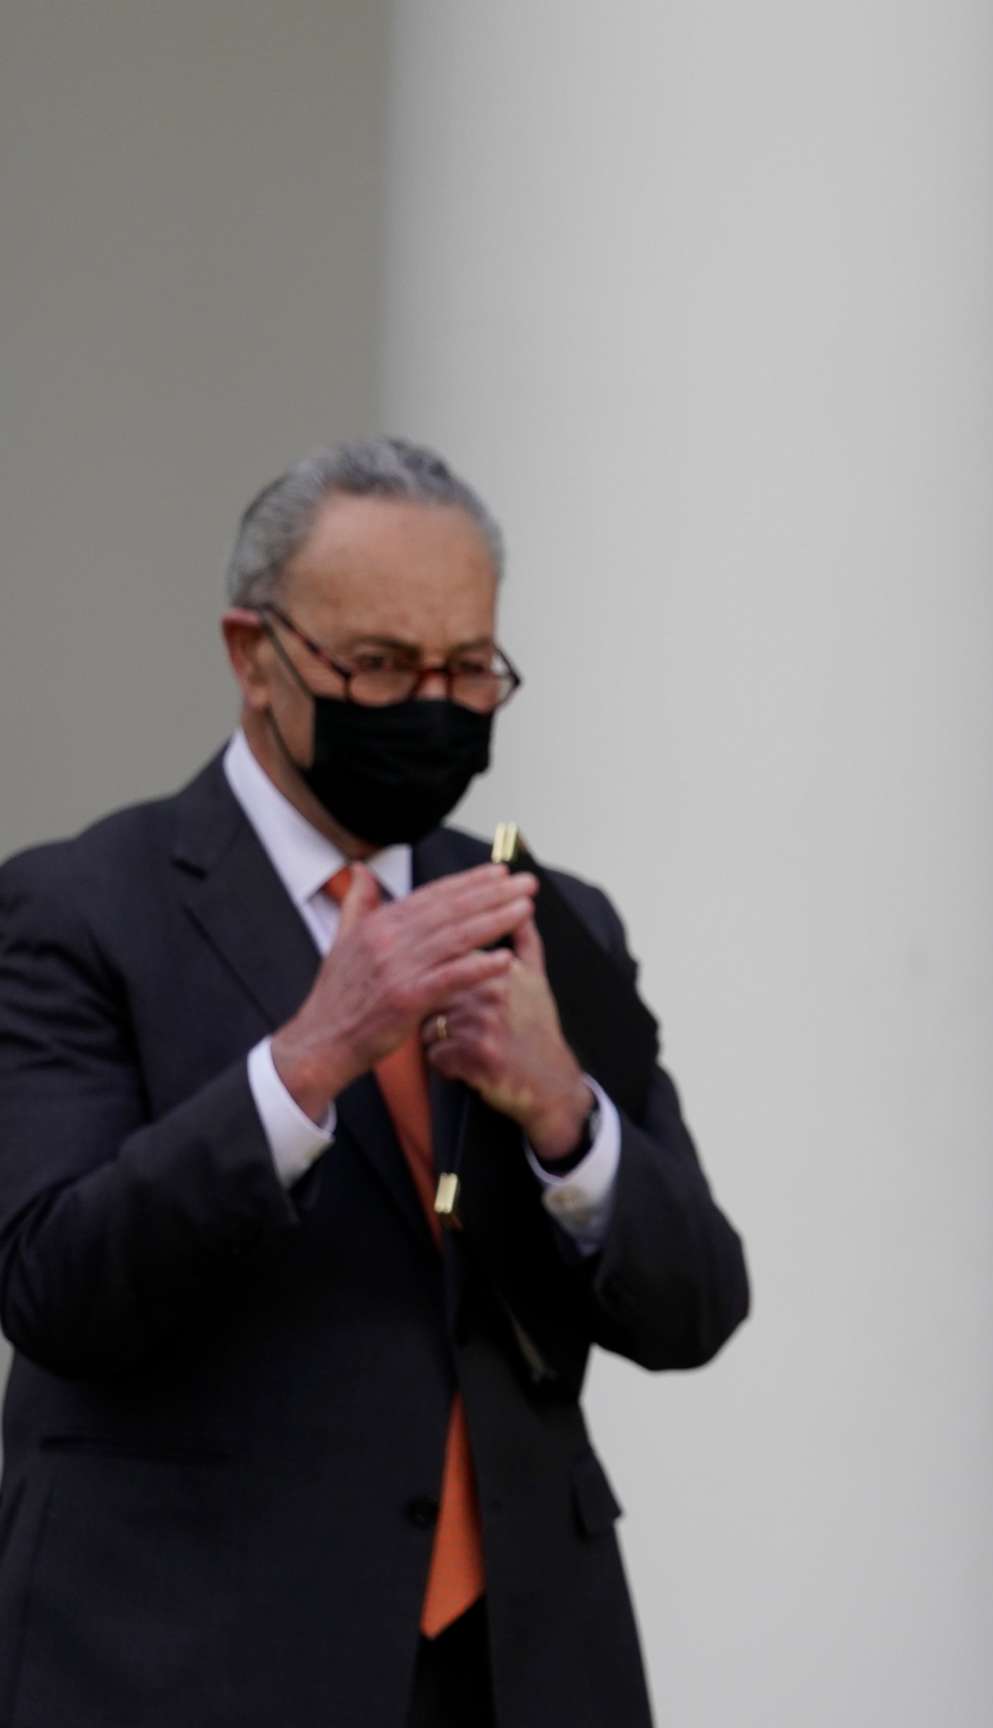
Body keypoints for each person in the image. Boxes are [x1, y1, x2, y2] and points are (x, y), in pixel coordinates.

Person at [0, 438, 750, 1726]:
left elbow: (697, 1307)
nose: (430, 704)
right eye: (382, 665)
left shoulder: (544, 918)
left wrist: (565, 1115)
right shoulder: (77, 910)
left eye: (468, 669)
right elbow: (53, 1283)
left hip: (515, 1664)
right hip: (184, 1655)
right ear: (254, 655)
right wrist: (307, 1061)